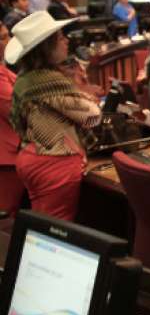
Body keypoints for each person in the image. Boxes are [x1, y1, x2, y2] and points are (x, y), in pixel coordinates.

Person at [6, 12, 101, 219]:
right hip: (54, 161)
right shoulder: (49, 80)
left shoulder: (26, 77)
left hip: (31, 156)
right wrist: (83, 94)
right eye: (60, 37)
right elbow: (92, 116)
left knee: (40, 223)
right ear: (46, 47)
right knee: (55, 231)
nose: (66, 40)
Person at [0, 22, 21, 215]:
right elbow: (18, 113)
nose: (9, 41)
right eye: (4, 37)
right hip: (5, 161)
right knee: (5, 222)